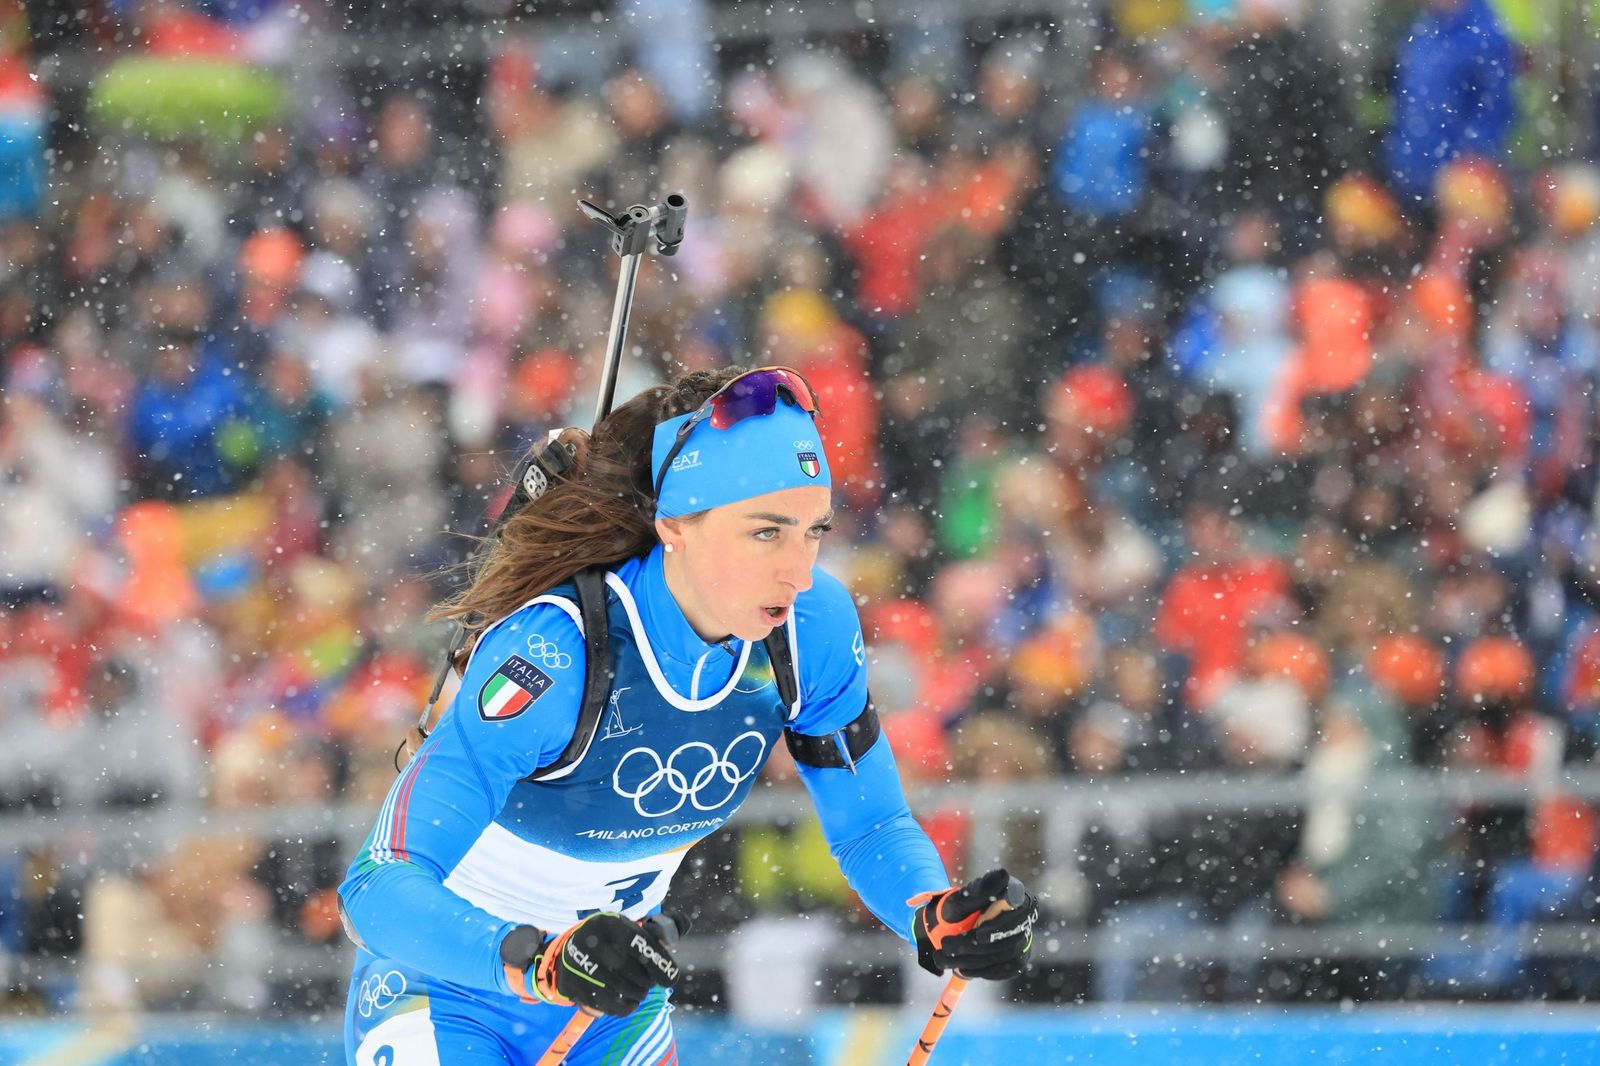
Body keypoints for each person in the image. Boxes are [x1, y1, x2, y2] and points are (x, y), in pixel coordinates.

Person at [337, 366, 1037, 1064]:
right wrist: (539, 963)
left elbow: (871, 826)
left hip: (607, 1009)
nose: (799, 571)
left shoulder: (809, 629)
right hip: (446, 988)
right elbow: (374, 890)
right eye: (766, 533)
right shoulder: (557, 652)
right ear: (674, 525)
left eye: (814, 531)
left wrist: (933, 914)